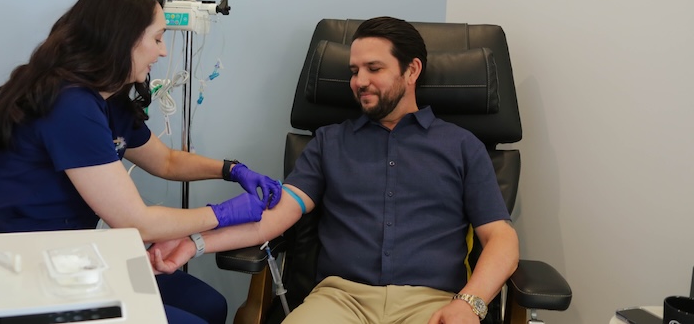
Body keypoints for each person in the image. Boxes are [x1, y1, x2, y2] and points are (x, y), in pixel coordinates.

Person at [148, 16, 520, 324]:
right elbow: (272, 219)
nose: (359, 81)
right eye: (354, 70)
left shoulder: (461, 146)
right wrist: (193, 244)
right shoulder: (330, 142)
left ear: (412, 71)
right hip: (341, 301)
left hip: (432, 303)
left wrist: (469, 303)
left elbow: (501, 239)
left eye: (374, 68)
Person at [0, 0, 282, 324]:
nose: (163, 51)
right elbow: (135, 222)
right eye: (158, 39)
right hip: (13, 272)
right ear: (123, 39)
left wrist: (231, 169)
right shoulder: (69, 104)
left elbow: (168, 161)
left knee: (208, 304)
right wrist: (226, 213)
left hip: (65, 257)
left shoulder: (106, 96)